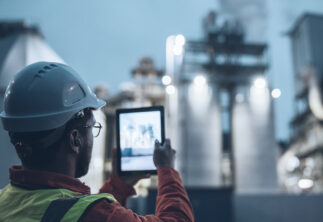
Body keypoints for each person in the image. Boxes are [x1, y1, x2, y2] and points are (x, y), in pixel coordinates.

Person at [0, 62, 194, 222]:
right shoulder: (98, 214)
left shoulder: (5, 201)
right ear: (75, 139)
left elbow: (77, 209)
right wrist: (167, 170)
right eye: (92, 128)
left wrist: (119, 184)